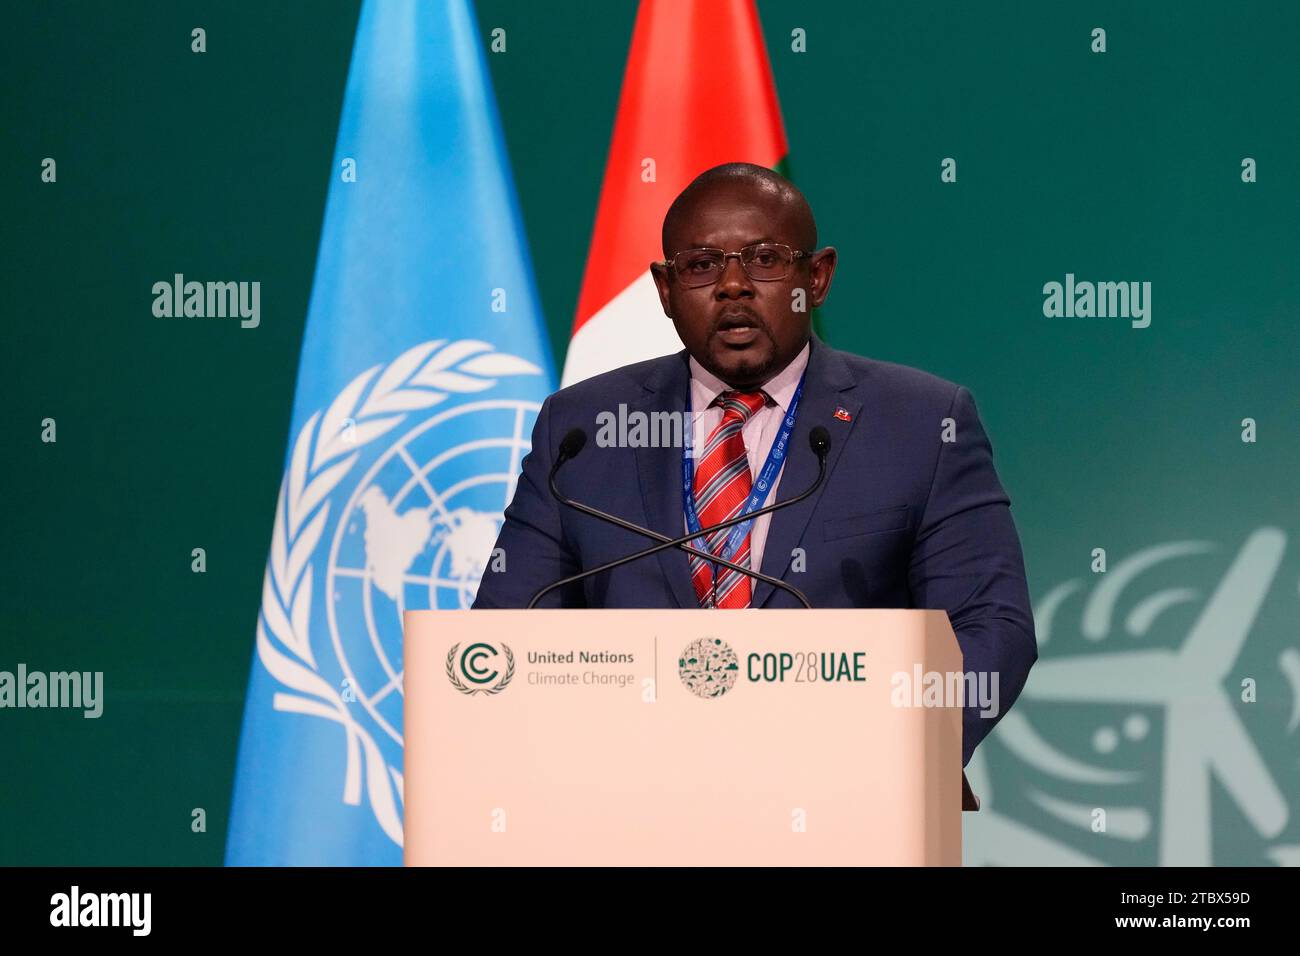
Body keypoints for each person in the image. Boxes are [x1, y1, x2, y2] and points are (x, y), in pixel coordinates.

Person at [472, 162, 1037, 765]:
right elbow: (507, 631)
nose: (733, 286)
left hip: (843, 808)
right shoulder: (581, 429)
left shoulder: (923, 423)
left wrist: (902, 753)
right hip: (626, 800)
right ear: (665, 290)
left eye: (765, 259)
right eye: (701, 265)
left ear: (816, 277)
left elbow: (989, 626)